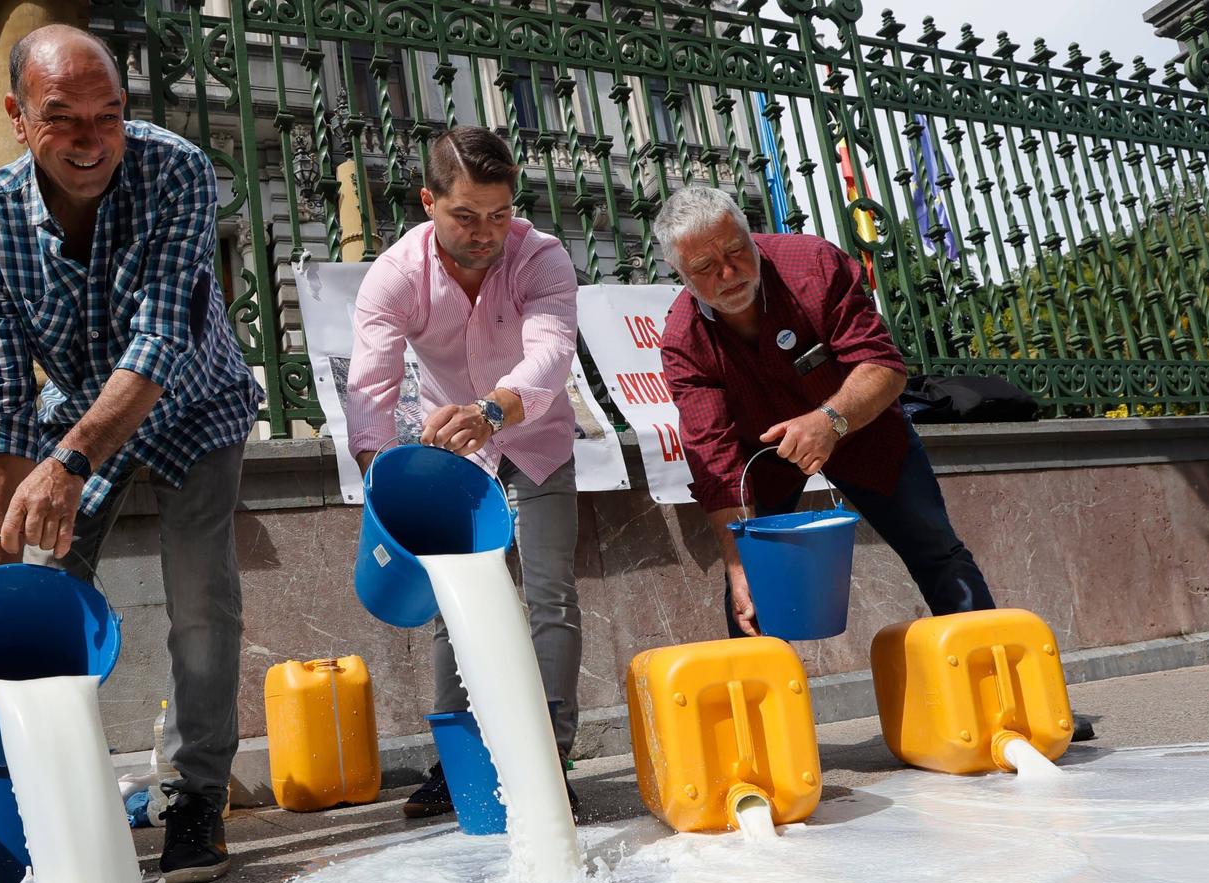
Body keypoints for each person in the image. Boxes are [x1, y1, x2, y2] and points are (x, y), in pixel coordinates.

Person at [0, 24, 261, 883]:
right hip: (80, 417)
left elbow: (163, 340)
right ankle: (41, 804)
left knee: (200, 598)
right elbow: (0, 397)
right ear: (17, 117)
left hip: (195, 403)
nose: (91, 141)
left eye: (108, 115)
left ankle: (196, 797)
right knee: (35, 591)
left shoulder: (177, 172)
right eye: (63, 119)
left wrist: (69, 463)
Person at [654, 185, 1089, 742]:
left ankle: (1009, 702)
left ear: (750, 235)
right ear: (680, 274)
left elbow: (883, 366)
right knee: (751, 589)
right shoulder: (682, 338)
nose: (729, 273)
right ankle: (759, 743)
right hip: (764, 456)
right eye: (705, 267)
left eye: (736, 251)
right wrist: (737, 565)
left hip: (860, 426)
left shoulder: (812, 264)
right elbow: (712, 454)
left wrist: (828, 421)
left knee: (937, 549)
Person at [346, 126, 586, 818]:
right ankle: (456, 764)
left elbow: (551, 354)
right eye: (466, 216)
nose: (487, 233)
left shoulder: (540, 259)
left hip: (537, 438)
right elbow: (370, 389)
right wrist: (380, 482)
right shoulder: (394, 275)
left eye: (500, 214)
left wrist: (490, 410)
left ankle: (552, 756)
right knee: (456, 602)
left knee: (551, 594)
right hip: (456, 457)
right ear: (428, 201)